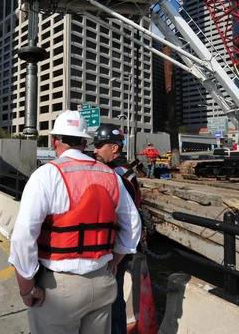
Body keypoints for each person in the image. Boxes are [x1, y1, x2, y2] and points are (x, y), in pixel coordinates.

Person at [9, 110, 141, 334]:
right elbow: (132, 228)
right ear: (84, 141)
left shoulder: (46, 175)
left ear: (54, 141)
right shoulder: (111, 176)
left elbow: (23, 236)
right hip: (102, 282)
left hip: (60, 289)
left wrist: (27, 290)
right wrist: (114, 262)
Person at [92, 123, 142, 334]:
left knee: (113, 302)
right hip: (111, 249)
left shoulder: (120, 175)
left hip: (114, 251)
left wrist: (117, 258)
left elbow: (126, 221)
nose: (95, 150)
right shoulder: (114, 171)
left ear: (114, 148)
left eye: (100, 145)